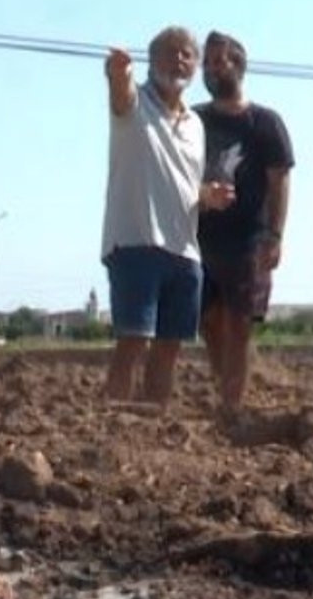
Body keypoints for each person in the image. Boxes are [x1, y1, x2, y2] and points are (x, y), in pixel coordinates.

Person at [99, 25, 234, 404]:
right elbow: (120, 95)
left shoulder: (195, 125)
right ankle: (111, 427)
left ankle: (152, 429)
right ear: (151, 60)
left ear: (194, 67)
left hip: (184, 251)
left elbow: (188, 184)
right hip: (135, 242)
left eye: (187, 54)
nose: (179, 60)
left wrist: (210, 195)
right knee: (134, 340)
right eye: (169, 52)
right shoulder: (135, 104)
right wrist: (118, 72)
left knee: (170, 347)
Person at [194, 30, 295, 411]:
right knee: (209, 322)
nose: (211, 69)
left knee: (239, 323)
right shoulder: (193, 120)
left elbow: (279, 179)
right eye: (207, 63)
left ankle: (232, 406)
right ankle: (226, 389)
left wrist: (275, 233)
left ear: (238, 65)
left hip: (248, 239)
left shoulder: (265, 123)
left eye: (218, 61)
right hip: (199, 237)